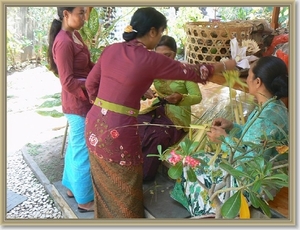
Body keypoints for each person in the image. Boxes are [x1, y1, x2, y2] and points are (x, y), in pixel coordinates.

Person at [84, 7, 236, 218]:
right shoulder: (149, 59)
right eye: (162, 32)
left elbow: (92, 84)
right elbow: (191, 71)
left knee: (102, 186)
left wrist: (105, 107)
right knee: (125, 188)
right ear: (153, 31)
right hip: (119, 132)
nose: (160, 38)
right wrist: (225, 65)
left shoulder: (112, 49)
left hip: (94, 125)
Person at [171, 55, 289, 217]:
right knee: (197, 157)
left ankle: (207, 210)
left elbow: (249, 159)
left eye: (248, 75)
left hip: (253, 183)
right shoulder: (273, 104)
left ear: (258, 82)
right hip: (257, 171)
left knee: (191, 163)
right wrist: (233, 127)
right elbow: (252, 138)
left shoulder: (266, 119)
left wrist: (224, 140)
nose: (246, 79)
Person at [47, 7, 94, 213]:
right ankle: (84, 201)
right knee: (83, 149)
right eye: (80, 13)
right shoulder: (64, 42)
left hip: (80, 101)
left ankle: (70, 188)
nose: (84, 17)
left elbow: (87, 65)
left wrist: (101, 72)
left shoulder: (74, 35)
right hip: (77, 103)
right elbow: (67, 81)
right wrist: (91, 88)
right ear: (66, 14)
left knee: (76, 147)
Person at [138, 35, 202, 181]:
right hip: (158, 108)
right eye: (159, 56)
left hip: (178, 115)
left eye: (168, 55)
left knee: (158, 135)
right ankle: (131, 166)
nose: (164, 60)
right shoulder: (153, 69)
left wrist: (181, 97)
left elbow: (197, 97)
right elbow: (141, 86)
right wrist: (143, 91)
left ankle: (145, 174)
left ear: (175, 52)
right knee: (138, 124)